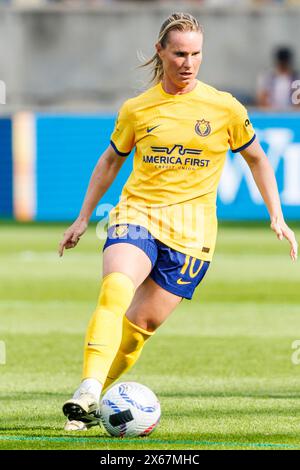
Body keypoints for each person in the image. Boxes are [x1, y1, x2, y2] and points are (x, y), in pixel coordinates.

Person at [59, 12, 298, 431]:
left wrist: (276, 216)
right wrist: (82, 218)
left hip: (192, 234)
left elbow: (258, 159)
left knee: (139, 329)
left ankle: (92, 410)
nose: (188, 62)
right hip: (138, 215)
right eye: (180, 53)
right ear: (161, 52)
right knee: (116, 287)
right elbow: (111, 160)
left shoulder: (224, 107)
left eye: (196, 54)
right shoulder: (138, 108)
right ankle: (89, 388)